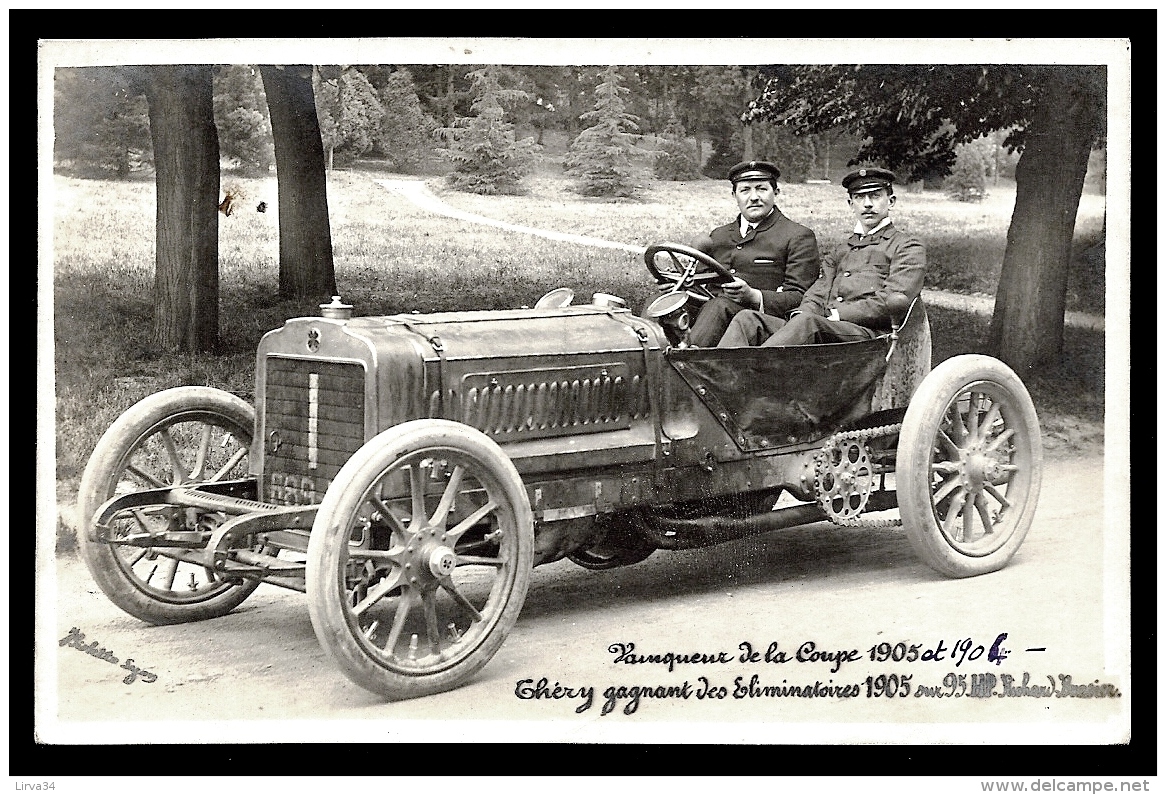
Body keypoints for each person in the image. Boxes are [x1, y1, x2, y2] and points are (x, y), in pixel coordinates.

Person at [716, 167, 926, 348]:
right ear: (850, 204)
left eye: (875, 196)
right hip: (825, 329)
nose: (868, 204)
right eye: (860, 197)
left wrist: (835, 315)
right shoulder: (842, 250)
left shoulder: (907, 246)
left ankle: (744, 376)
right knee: (748, 320)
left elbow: (892, 299)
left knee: (807, 323)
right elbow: (817, 293)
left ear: (891, 201)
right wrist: (801, 314)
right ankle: (716, 380)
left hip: (868, 336)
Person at [681, 160, 821, 347]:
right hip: (710, 314)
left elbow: (801, 296)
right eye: (745, 190)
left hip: (761, 323)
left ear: (776, 192)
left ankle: (683, 367)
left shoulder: (798, 236)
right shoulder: (718, 235)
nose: (753, 197)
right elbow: (700, 283)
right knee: (660, 302)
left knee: (719, 306)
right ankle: (644, 363)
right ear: (734, 195)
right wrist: (679, 288)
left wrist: (754, 296)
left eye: (761, 189)